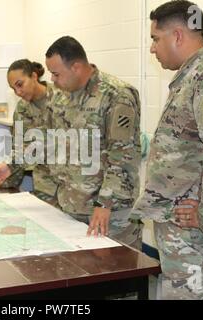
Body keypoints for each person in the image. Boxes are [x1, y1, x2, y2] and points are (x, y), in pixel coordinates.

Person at [131, 0, 203, 299]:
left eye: (156, 39)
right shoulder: (194, 76)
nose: (153, 48)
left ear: (178, 36)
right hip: (185, 236)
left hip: (198, 239)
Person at [45, 36, 143, 250]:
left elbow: (123, 157)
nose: (52, 80)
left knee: (118, 275)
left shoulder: (117, 95)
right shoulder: (60, 97)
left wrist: (105, 203)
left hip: (109, 214)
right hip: (70, 206)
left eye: (56, 73)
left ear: (77, 67)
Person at [0, 59, 66, 206]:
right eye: (13, 89)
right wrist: (8, 169)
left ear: (34, 76)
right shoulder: (22, 108)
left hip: (70, 187)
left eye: (20, 85)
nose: (18, 92)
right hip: (44, 187)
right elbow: (20, 147)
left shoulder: (64, 97)